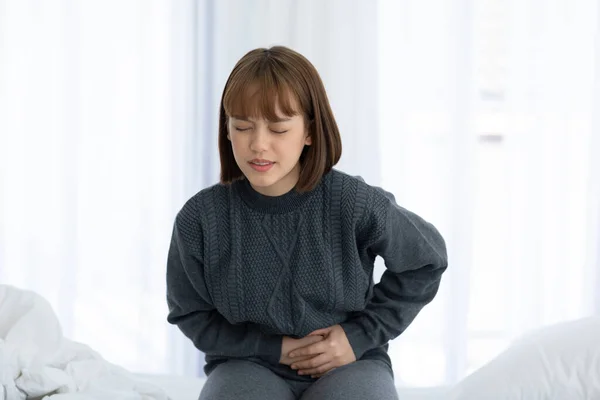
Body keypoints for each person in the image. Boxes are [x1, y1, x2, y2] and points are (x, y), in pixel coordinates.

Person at [166, 45, 448, 400]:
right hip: (246, 365)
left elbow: (427, 260)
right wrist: (274, 348)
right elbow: (191, 314)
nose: (258, 144)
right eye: (242, 126)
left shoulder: (353, 202)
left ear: (310, 132)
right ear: (226, 129)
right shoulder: (199, 219)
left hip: (350, 365)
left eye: (279, 129)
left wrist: (357, 337)